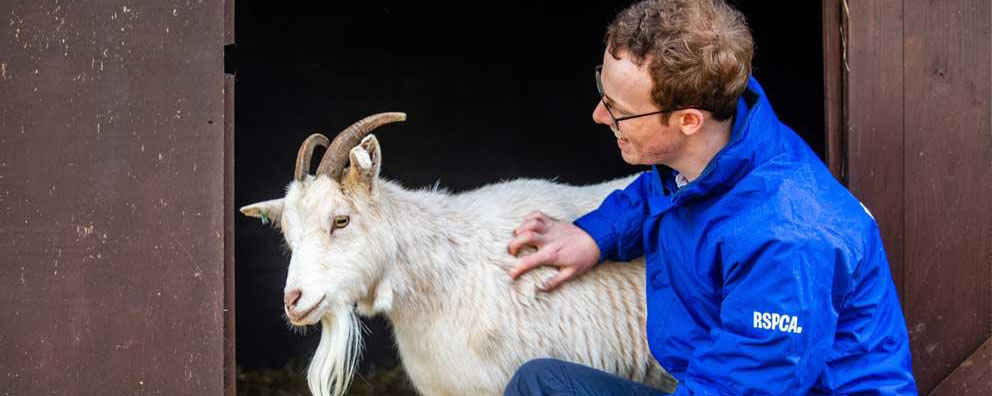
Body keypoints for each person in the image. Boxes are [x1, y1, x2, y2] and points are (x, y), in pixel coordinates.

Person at [503, 0, 918, 394]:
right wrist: (594, 236)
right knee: (539, 384)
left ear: (687, 120)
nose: (599, 115)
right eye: (603, 90)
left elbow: (738, 388)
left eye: (619, 110)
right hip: (720, 380)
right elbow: (662, 189)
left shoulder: (788, 241)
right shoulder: (719, 138)